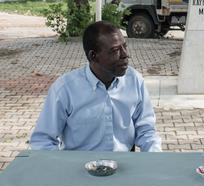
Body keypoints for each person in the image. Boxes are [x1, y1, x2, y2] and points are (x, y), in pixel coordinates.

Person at [29, 21, 161, 152]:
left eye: (124, 46)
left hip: (124, 165)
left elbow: (146, 130)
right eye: (115, 50)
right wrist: (62, 168)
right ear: (93, 56)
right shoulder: (65, 89)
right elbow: (43, 141)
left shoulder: (135, 81)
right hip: (77, 168)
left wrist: (155, 158)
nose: (125, 55)